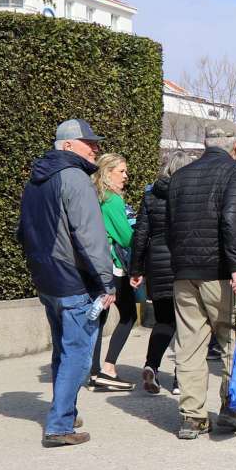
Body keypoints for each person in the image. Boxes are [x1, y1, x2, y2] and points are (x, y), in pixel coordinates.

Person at [17, 119, 116, 446]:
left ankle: (67, 411)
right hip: (74, 281)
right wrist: (106, 283)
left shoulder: (35, 180)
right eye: (88, 143)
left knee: (63, 349)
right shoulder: (75, 178)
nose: (95, 148)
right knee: (77, 353)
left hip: (47, 278)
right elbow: (91, 238)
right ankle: (60, 425)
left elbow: (23, 232)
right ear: (68, 146)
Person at [166, 127, 236, 440]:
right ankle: (232, 409)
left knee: (188, 345)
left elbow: (170, 225)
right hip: (221, 272)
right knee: (233, 338)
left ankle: (192, 417)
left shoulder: (179, 176)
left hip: (185, 272)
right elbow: (232, 220)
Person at [129, 151, 194, 395]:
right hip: (183, 262)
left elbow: (140, 234)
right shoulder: (190, 196)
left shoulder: (151, 196)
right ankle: (180, 378)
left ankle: (151, 365)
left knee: (163, 319)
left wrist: (136, 269)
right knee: (188, 323)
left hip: (157, 264)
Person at [88, 153, 137, 391]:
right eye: (122, 171)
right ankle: (108, 368)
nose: (126, 177)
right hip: (114, 267)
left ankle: (94, 372)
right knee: (128, 315)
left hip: (94, 265)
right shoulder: (113, 200)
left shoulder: (93, 196)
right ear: (107, 173)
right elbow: (127, 238)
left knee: (100, 318)